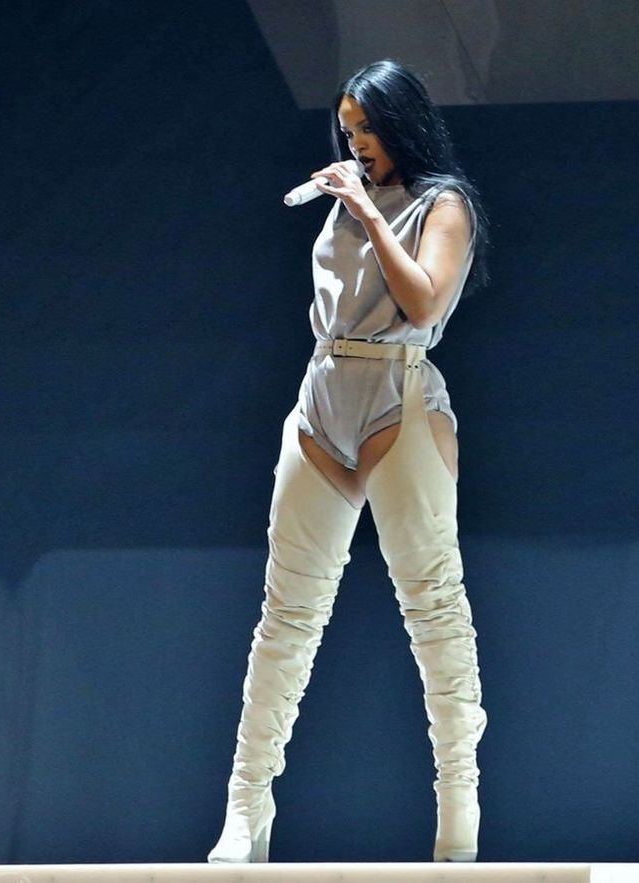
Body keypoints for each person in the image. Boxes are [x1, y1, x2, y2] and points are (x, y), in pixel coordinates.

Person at [207, 58, 489, 864]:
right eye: (348, 129)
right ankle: (244, 808)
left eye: (367, 126)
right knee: (286, 614)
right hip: (324, 389)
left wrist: (364, 206)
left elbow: (424, 301)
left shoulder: (445, 205)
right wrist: (351, 203)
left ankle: (458, 812)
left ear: (401, 122)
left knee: (433, 608)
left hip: (399, 392)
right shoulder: (342, 204)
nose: (356, 142)